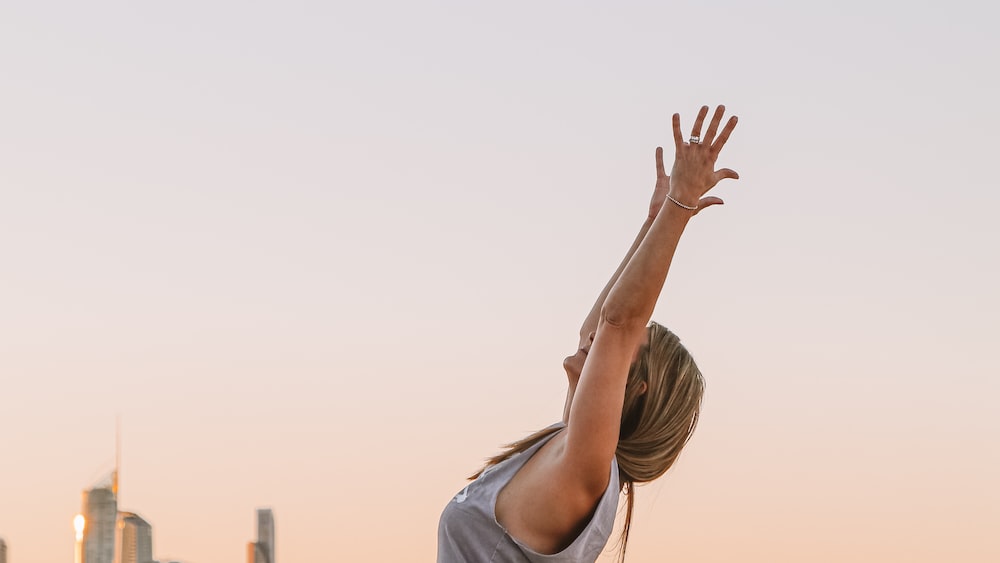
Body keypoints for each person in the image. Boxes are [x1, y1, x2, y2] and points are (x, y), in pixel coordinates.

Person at [437, 105, 740, 563]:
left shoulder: (587, 470)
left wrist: (679, 207)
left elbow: (620, 322)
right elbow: (606, 325)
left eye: (616, 350)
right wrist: (654, 220)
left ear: (628, 387)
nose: (596, 338)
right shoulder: (567, 448)